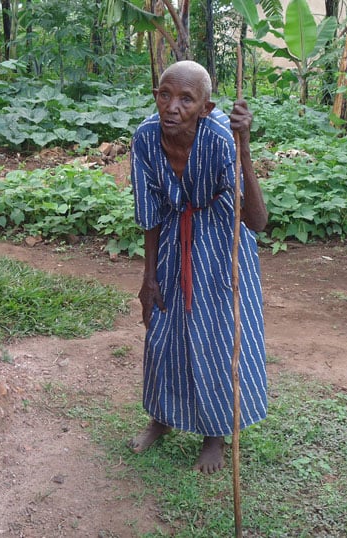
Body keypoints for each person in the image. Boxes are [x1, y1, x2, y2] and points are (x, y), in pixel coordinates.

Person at [128, 60, 269, 474]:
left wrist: (244, 147)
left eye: (185, 99)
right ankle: (162, 418)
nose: (171, 106)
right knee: (163, 330)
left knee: (217, 335)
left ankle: (215, 435)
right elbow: (150, 212)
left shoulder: (222, 137)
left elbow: (257, 221)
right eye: (164, 94)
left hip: (223, 239)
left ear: (205, 108)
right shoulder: (145, 137)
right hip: (174, 235)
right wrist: (149, 277)